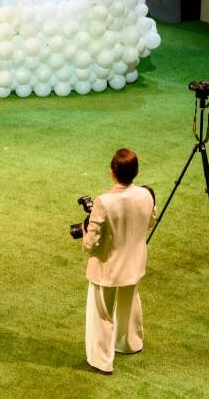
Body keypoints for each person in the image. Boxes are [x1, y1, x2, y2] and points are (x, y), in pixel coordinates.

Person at [81, 148, 156, 374]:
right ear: (136, 172)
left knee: (101, 313)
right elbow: (150, 221)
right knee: (129, 303)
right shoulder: (146, 195)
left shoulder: (103, 202)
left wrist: (85, 230)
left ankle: (102, 360)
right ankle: (129, 342)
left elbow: (90, 243)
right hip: (134, 264)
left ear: (113, 172)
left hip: (107, 268)